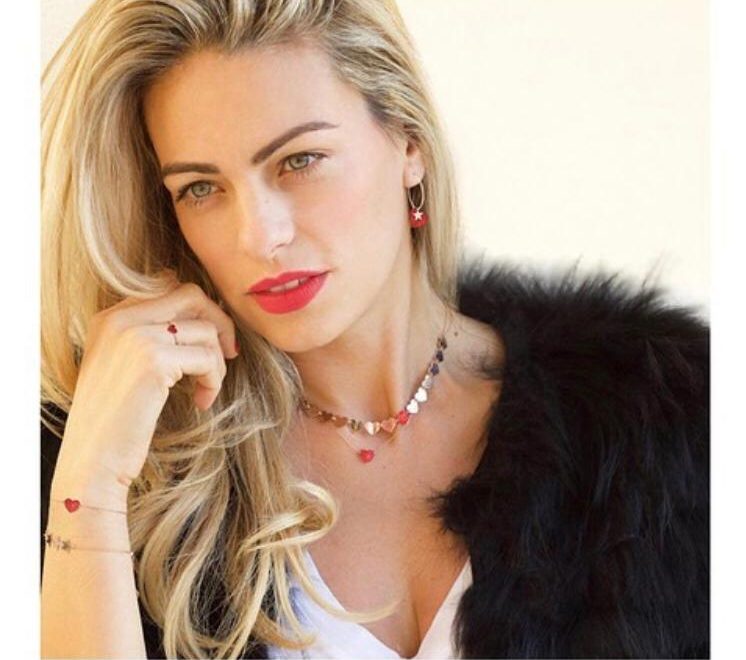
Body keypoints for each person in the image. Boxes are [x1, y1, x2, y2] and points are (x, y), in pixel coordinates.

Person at [40, 1, 709, 658]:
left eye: (299, 160)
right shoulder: (122, 464)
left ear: (409, 144)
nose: (259, 236)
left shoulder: (667, 428)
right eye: (200, 188)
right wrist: (89, 490)